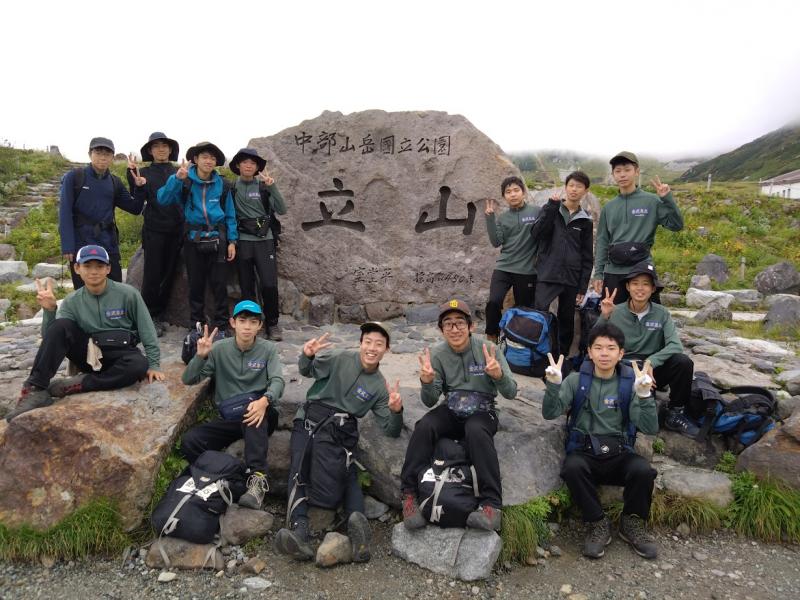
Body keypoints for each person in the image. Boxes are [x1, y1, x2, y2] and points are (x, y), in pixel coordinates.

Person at [274, 322, 403, 562]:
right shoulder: (339, 357)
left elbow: (391, 429)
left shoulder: (379, 386)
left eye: (379, 344)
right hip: (310, 420)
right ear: (360, 343)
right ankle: (299, 529)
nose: (372, 348)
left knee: (348, 469)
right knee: (298, 466)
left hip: (341, 431)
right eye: (368, 342)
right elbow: (307, 371)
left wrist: (396, 410)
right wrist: (306, 355)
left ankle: (359, 537)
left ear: (386, 349)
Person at [6, 245, 163, 422]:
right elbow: (53, 337)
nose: (94, 271)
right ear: (77, 268)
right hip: (89, 355)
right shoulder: (72, 301)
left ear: (108, 269)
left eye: (100, 266)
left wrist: (154, 364)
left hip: (121, 352)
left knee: (138, 365)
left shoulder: (128, 294)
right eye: (87, 266)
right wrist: (49, 311)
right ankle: (36, 389)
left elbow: (146, 329)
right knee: (61, 325)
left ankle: (77, 384)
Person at [542, 322, 659, 559]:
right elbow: (550, 413)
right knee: (572, 468)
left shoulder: (631, 384)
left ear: (621, 353)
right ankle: (597, 523)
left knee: (643, 471)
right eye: (598, 347)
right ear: (589, 351)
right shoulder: (576, 380)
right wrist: (553, 386)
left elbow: (650, 428)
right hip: (584, 451)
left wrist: (645, 396)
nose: (604, 353)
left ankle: (632, 523)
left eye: (611, 348)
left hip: (620, 452)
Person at [401, 299, 517, 532]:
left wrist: (498, 376)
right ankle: (409, 495)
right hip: (452, 408)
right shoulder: (437, 354)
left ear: (471, 326)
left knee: (476, 430)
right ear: (441, 329)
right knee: (425, 425)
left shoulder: (489, 349)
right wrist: (426, 381)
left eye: (460, 323)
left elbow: (511, 392)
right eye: (448, 324)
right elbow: (430, 400)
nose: (454, 329)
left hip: (483, 410)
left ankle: (491, 505)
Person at [180, 300, 285, 510]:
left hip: (261, 412)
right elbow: (188, 379)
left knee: (252, 411)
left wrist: (265, 400)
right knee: (191, 441)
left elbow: (278, 381)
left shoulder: (268, 349)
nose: (247, 326)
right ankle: (231, 477)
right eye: (242, 320)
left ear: (259, 326)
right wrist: (200, 356)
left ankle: (257, 481)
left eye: (253, 322)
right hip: (230, 418)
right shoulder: (219, 349)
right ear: (233, 323)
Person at [597, 261, 698, 437]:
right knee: (642, 414)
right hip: (625, 367)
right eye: (635, 283)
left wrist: (651, 361)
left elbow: (675, 345)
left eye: (645, 284)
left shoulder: (661, 313)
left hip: (651, 368)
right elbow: (595, 342)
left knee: (683, 363)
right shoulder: (616, 311)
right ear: (628, 287)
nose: (640, 288)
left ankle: (675, 412)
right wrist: (604, 316)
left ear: (653, 289)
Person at [157, 141, 237, 337]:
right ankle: (196, 325)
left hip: (218, 239)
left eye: (212, 158)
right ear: (195, 159)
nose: (209, 161)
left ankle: (222, 326)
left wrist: (232, 241)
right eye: (205, 157)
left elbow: (230, 215)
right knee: (196, 284)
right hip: (193, 239)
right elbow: (163, 199)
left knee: (219, 285)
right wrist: (176, 178)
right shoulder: (185, 181)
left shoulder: (223, 185)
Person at [592, 151, 683, 304]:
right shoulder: (609, 207)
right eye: (618, 171)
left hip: (642, 270)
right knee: (612, 315)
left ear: (637, 171)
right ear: (613, 174)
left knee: (648, 315)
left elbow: (676, 225)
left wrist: (667, 199)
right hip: (613, 271)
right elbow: (602, 241)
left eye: (627, 170)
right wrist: (599, 273)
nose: (622, 175)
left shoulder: (651, 201)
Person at [59, 137, 144, 289]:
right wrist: (68, 246)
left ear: (112, 157)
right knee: (84, 290)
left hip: (108, 242)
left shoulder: (114, 182)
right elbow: (65, 212)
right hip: (81, 241)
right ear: (89, 154)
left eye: (107, 154)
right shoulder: (75, 177)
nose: (103, 157)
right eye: (98, 152)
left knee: (114, 288)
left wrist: (138, 187)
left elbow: (135, 208)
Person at [531, 171, 594, 356]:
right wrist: (551, 207)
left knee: (566, 319)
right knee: (540, 313)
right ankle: (537, 354)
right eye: (571, 185)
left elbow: (587, 256)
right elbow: (536, 233)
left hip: (571, 277)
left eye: (579, 186)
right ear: (565, 187)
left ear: (585, 191)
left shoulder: (585, 220)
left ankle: (562, 356)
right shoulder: (551, 208)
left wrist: (582, 287)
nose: (574, 189)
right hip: (548, 272)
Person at [126, 132, 182, 337]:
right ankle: (149, 315)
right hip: (154, 229)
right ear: (150, 150)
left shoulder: (179, 172)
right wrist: (132, 176)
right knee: (152, 274)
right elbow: (137, 197)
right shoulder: (143, 172)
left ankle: (160, 312)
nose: (161, 149)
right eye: (156, 146)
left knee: (169, 273)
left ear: (170, 149)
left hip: (177, 229)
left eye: (164, 146)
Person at [228, 148, 287, 341]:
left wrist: (272, 187)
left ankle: (272, 323)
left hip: (265, 241)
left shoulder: (263, 187)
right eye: (245, 162)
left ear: (257, 167)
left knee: (269, 284)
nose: (248, 165)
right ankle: (250, 323)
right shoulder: (231, 188)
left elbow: (282, 209)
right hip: (243, 241)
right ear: (238, 165)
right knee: (246, 286)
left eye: (252, 163)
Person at [484, 176, 540, 342]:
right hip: (504, 267)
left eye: (516, 190)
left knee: (524, 308)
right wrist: (490, 218)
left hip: (527, 270)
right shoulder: (503, 218)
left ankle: (519, 340)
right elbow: (496, 242)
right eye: (508, 192)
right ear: (504, 197)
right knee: (493, 301)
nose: (513, 194)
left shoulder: (536, 212)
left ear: (523, 192)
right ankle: (492, 335)